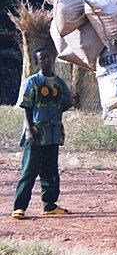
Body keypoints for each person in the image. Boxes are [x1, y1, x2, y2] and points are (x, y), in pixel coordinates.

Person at [11, 48, 77, 219]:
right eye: (42, 58)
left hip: (53, 133)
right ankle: (19, 207)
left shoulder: (59, 83)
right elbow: (26, 107)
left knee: (50, 170)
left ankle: (49, 205)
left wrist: (72, 102)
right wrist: (29, 130)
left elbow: (62, 105)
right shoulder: (32, 82)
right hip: (37, 133)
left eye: (48, 57)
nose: (46, 61)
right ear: (36, 62)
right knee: (29, 170)